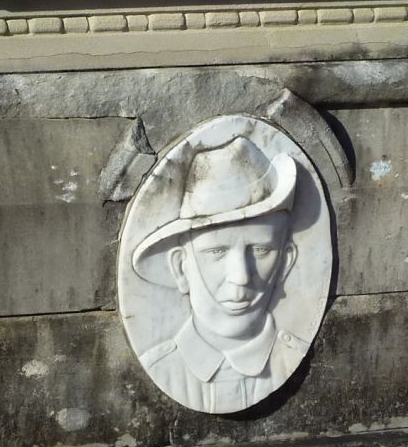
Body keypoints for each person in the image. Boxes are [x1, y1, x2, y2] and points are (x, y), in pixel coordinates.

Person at [131, 137, 309, 414]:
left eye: (261, 249)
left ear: (286, 262)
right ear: (181, 267)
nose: (241, 277)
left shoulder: (296, 355)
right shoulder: (163, 367)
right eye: (216, 252)